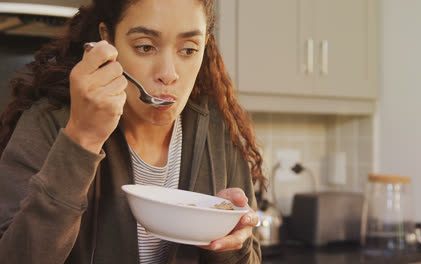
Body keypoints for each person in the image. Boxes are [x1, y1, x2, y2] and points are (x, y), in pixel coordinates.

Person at [0, 0, 266, 263]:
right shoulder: (50, 123)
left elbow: (249, 257)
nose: (168, 74)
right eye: (145, 47)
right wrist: (82, 139)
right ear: (108, 41)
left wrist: (230, 241)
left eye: (188, 50)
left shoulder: (219, 132)